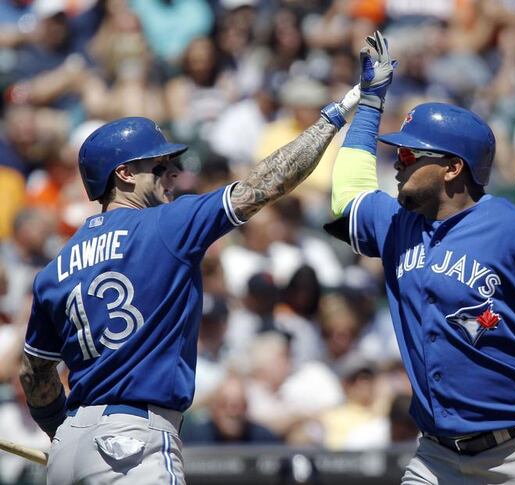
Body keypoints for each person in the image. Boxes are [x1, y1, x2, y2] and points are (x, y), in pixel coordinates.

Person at [17, 43, 369, 482]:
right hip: (133, 440)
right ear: (124, 173)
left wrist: (62, 432)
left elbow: (35, 375)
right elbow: (268, 183)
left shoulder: (57, 266)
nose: (174, 175)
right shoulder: (167, 225)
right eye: (161, 165)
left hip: (72, 449)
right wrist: (336, 114)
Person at [325, 32, 515, 484]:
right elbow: (347, 197)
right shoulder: (396, 222)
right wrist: (369, 104)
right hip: (438, 458)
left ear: (452, 167)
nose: (398, 162)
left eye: (409, 153)